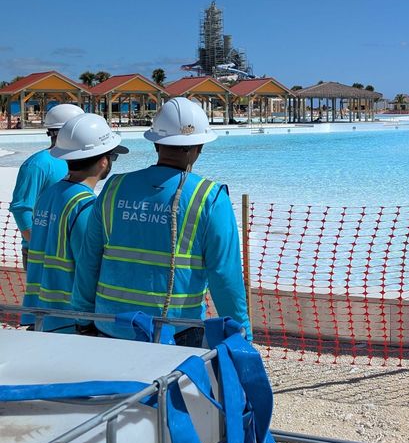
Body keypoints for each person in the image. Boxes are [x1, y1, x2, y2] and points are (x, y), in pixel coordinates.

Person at [74, 97, 251, 346]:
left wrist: (82, 317)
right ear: (199, 145)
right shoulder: (209, 198)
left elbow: (89, 259)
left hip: (111, 326)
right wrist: (241, 335)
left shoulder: (114, 188)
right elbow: (225, 276)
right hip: (175, 333)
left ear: (156, 143)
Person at [21, 113, 128, 332]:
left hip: (41, 312)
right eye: (112, 157)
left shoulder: (50, 195)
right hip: (69, 320)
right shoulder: (85, 206)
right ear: (103, 161)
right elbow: (89, 269)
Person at [10, 103, 84, 268]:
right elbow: (21, 209)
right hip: (43, 254)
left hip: (69, 251)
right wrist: (41, 247)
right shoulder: (39, 164)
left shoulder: (79, 161)